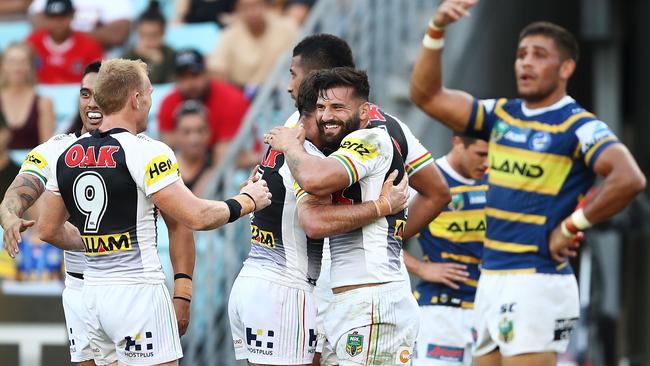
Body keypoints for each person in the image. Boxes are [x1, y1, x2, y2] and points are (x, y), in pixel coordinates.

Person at [409, 1, 646, 365]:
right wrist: (437, 28)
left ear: (566, 67)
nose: (526, 63)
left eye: (539, 55)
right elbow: (426, 96)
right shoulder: (500, 114)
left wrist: (573, 225)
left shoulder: (576, 124)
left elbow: (628, 178)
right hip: (491, 279)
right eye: (521, 54)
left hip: (537, 280)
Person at [34, 59, 270, 365]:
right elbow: (196, 216)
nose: (149, 103)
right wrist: (247, 201)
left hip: (90, 295)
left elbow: (48, 229)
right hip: (138, 293)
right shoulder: (147, 151)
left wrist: (98, 241)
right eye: (148, 94)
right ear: (135, 98)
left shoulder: (66, 155)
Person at [0, 61, 195, 365]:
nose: (92, 102)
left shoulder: (141, 149)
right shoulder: (54, 150)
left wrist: (182, 290)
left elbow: (179, 224)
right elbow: (18, 191)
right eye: (83, 93)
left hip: (124, 288)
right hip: (82, 289)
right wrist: (9, 213)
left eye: (98, 94)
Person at [284, 34, 451, 366]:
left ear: (319, 76)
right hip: (345, 290)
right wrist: (386, 230)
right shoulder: (393, 125)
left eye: (294, 74)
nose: (290, 86)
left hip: (351, 291)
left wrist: (383, 226)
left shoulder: (302, 129)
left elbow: (314, 202)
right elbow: (437, 192)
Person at [229, 72, 409, 366]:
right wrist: (382, 205)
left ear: (364, 111)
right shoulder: (306, 151)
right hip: (301, 293)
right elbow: (313, 215)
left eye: (337, 108)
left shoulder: (366, 140)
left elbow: (312, 199)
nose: (327, 117)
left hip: (368, 299)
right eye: (323, 108)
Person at [404, 134, 488, 366]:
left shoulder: (499, 181)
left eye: (492, 155)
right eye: (481, 154)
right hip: (441, 312)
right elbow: (381, 240)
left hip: (490, 308)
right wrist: (422, 268)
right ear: (458, 142)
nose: (487, 162)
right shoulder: (427, 182)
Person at [158, 48, 250, 164]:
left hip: (229, 165)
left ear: (207, 73)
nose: (190, 83)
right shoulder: (169, 102)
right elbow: (166, 149)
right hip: (187, 166)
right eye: (184, 77)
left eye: (195, 75)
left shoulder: (231, 99)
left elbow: (224, 157)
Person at [208, 0, 298, 95]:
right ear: (237, 10)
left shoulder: (288, 27)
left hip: (285, 91)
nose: (252, 12)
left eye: (256, 5)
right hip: (243, 95)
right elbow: (217, 70)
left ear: (265, 5)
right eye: (245, 7)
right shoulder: (228, 35)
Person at [26, 0, 104, 84]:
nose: (58, 22)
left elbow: (99, 78)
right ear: (45, 18)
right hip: (40, 94)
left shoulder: (89, 45)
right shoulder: (32, 43)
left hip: (79, 95)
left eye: (63, 17)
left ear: (72, 16)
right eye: (53, 17)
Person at [0, 42, 55, 149]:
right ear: (3, 66)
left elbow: (47, 147)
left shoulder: (43, 103)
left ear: (30, 66)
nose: (17, 68)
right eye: (11, 62)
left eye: (22, 62)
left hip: (32, 164)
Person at [29, 0, 133, 50]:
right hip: (52, 59)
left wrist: (71, 35)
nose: (59, 22)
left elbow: (117, 36)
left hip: (102, 59)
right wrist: (98, 31)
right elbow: (39, 27)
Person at [122, 0, 176, 84]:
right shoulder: (129, 56)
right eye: (143, 35)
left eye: (154, 35)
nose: (148, 40)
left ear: (163, 33)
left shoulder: (171, 55)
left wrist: (158, 63)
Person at [173, 100, 214, 195]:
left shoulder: (216, 163)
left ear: (209, 132)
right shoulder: (166, 166)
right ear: (176, 134)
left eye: (200, 131)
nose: (194, 139)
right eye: (187, 132)